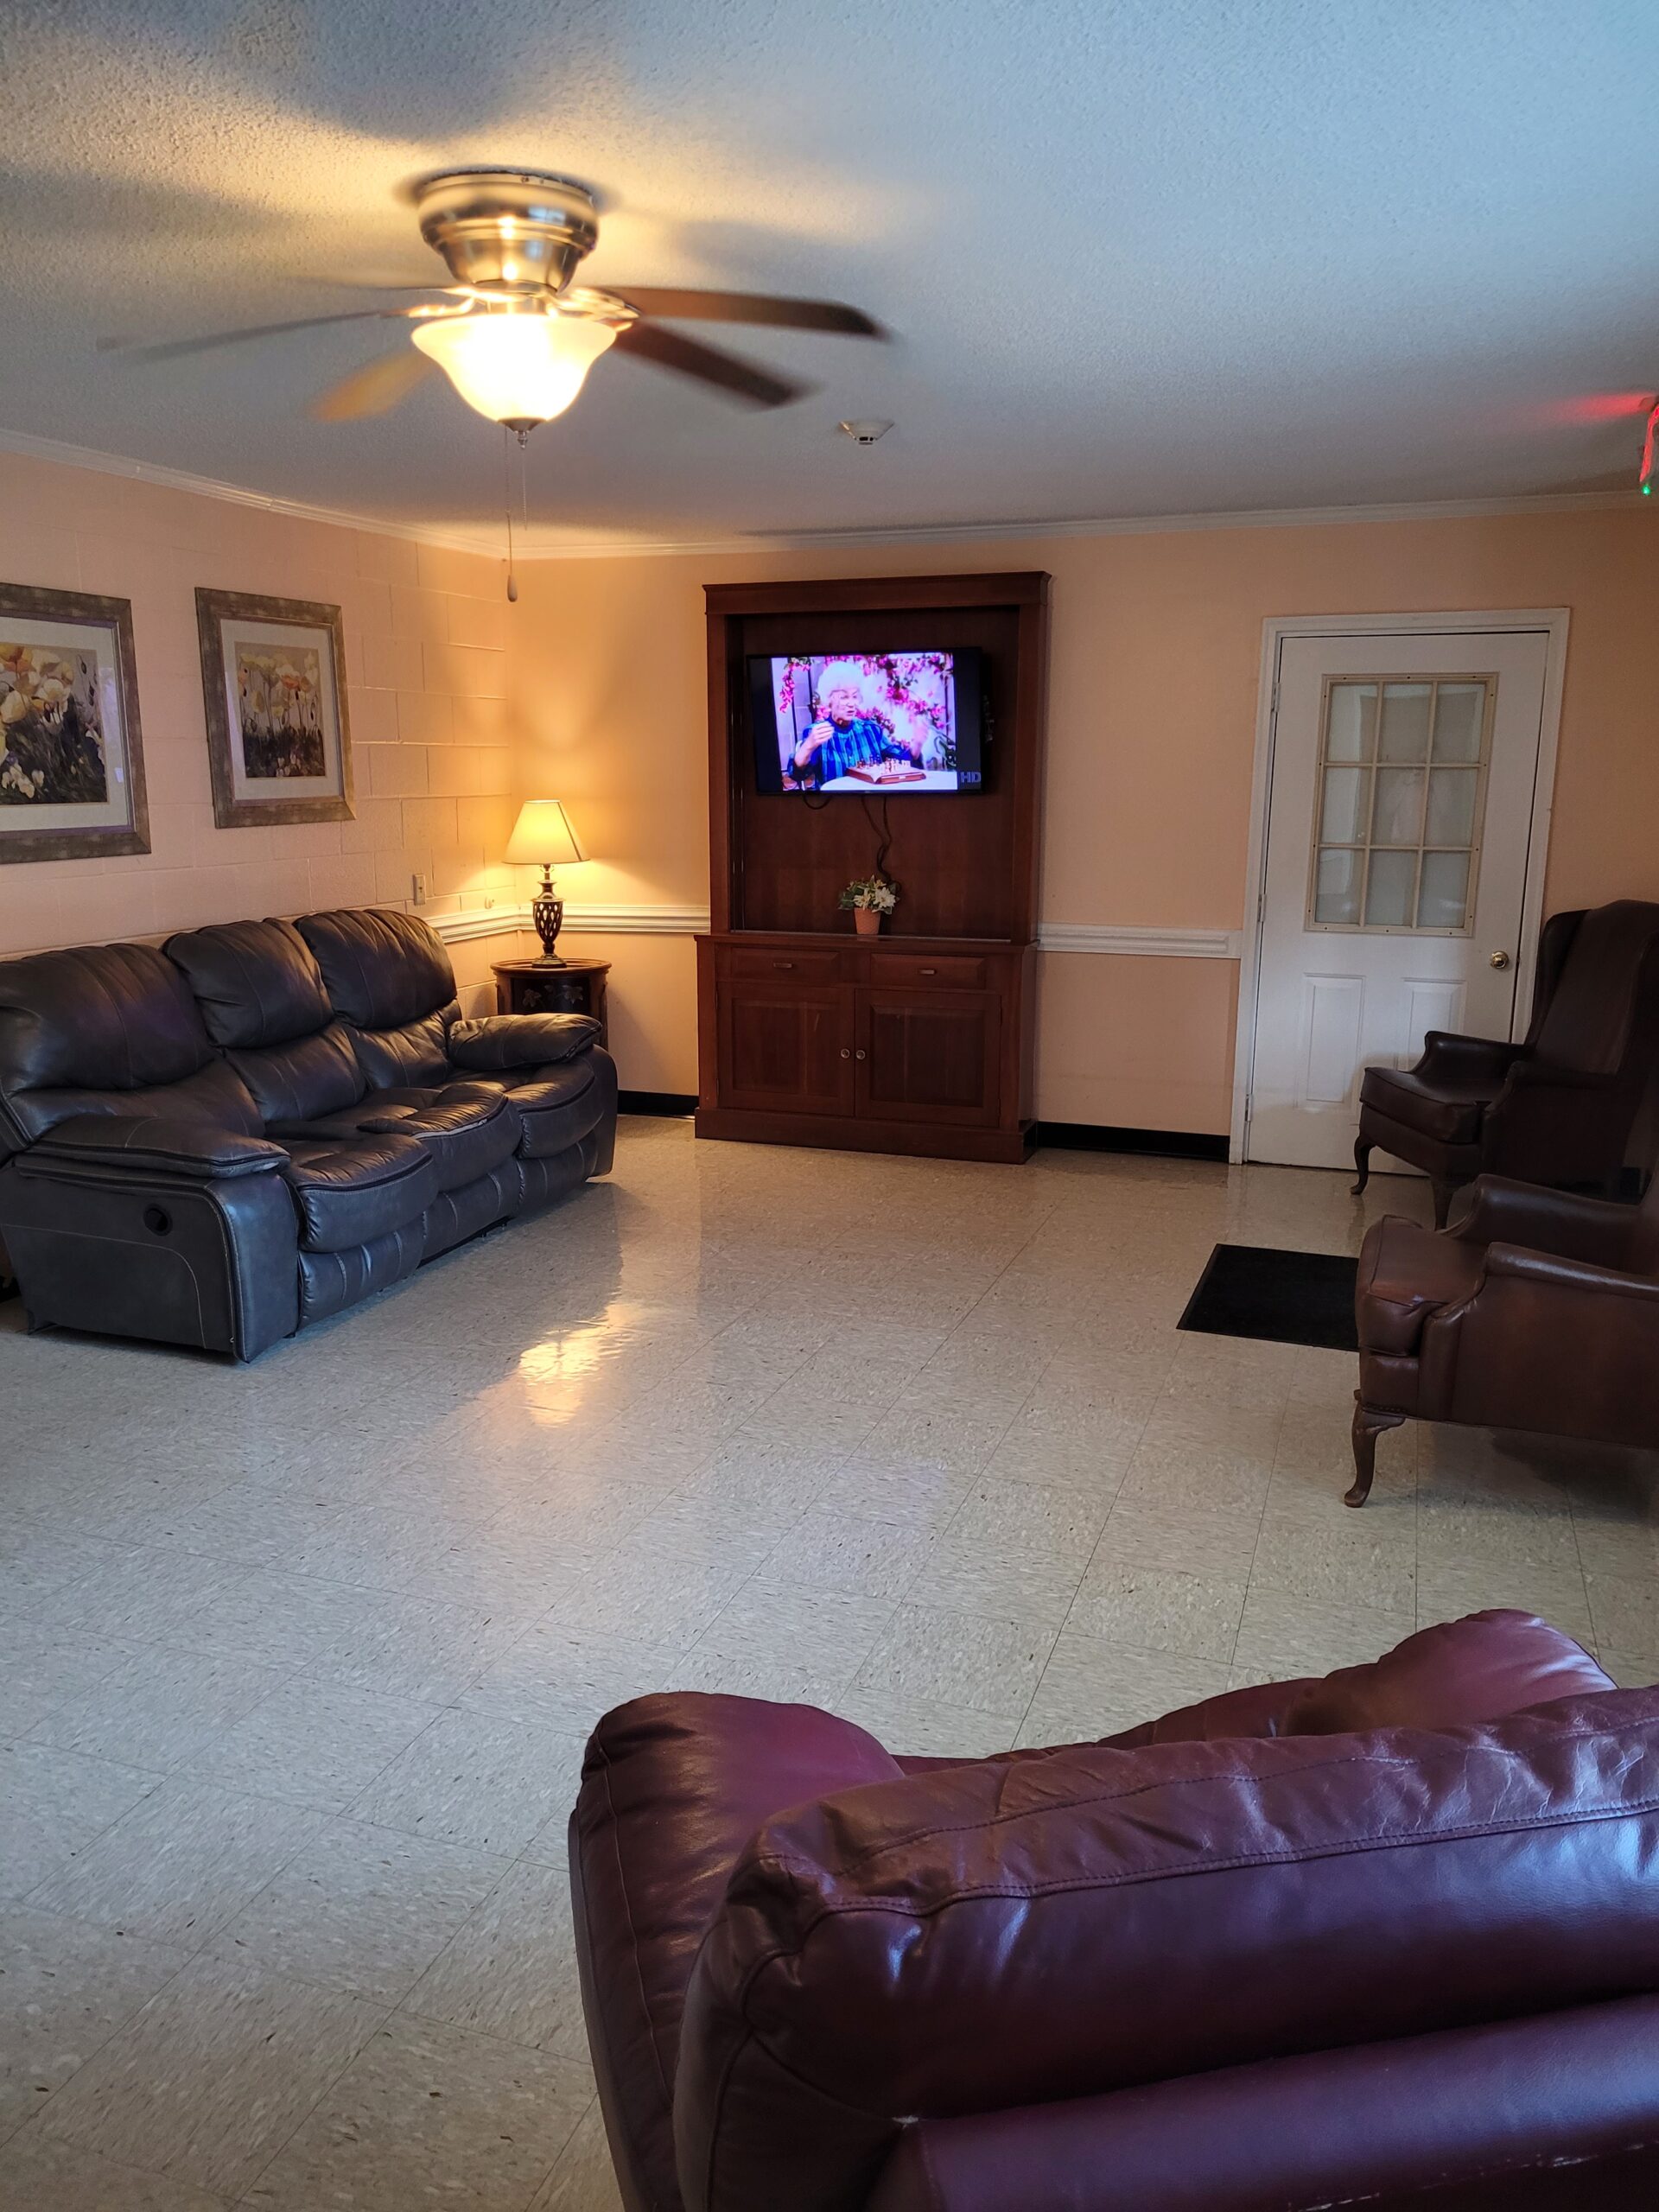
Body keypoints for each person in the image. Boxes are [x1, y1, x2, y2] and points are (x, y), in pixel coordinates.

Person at [791, 664, 920, 787]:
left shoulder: (871, 730)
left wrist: (916, 747)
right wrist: (808, 746)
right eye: (844, 697)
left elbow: (900, 762)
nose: (851, 704)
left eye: (854, 697)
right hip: (833, 801)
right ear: (829, 699)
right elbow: (798, 775)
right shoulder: (817, 732)